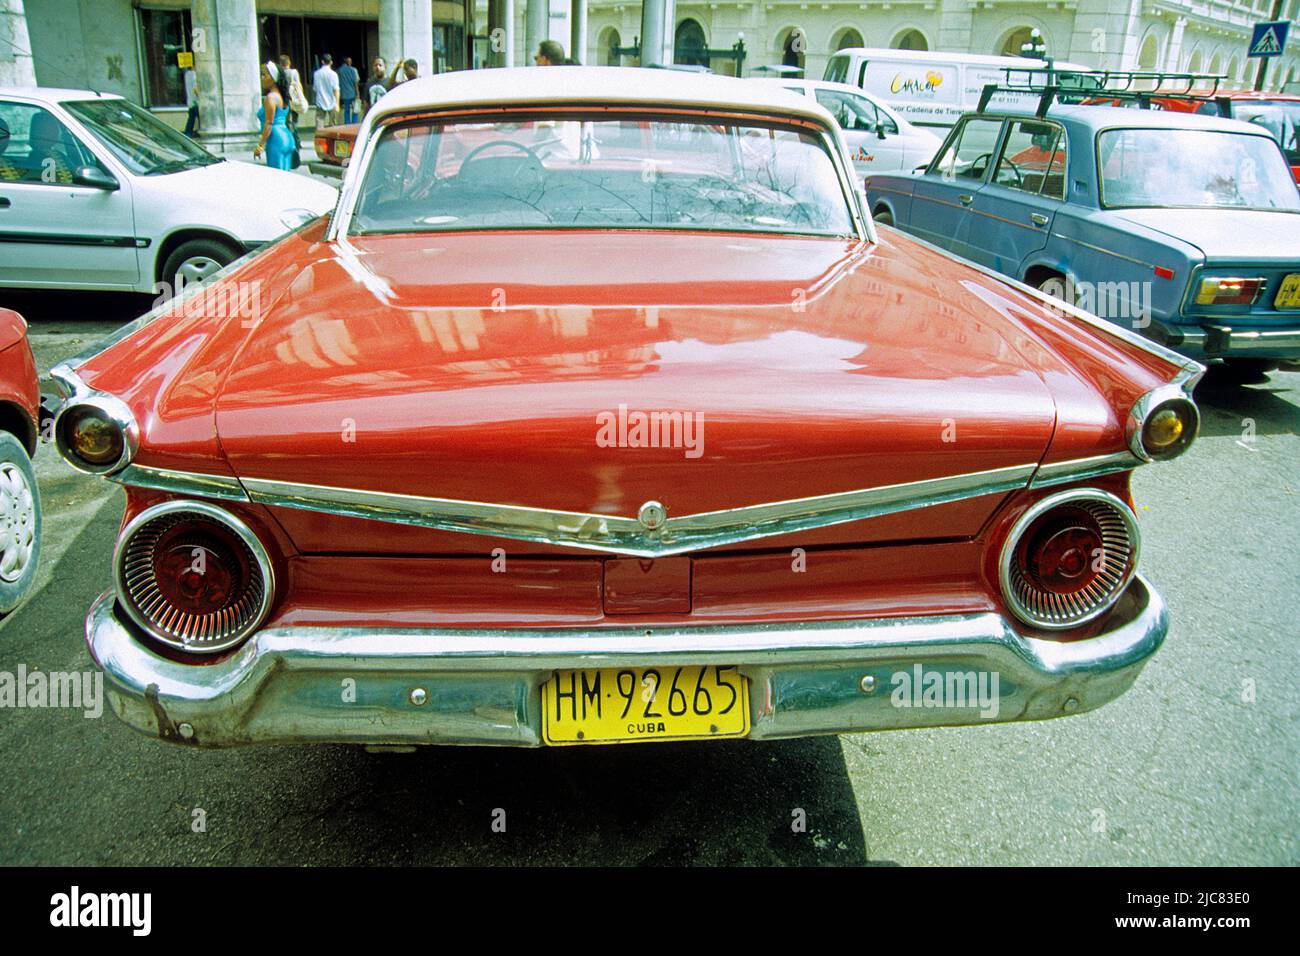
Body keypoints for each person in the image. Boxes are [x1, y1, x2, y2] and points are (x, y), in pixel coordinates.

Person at [254, 61, 295, 170]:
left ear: (273, 78)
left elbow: (269, 123)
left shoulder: (271, 97)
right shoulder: (283, 97)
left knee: (277, 178)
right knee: (287, 177)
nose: (262, 78)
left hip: (276, 139)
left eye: (264, 75)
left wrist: (260, 145)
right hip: (287, 137)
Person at [278, 53, 308, 127]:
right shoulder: (294, 72)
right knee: (295, 118)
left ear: (281, 64)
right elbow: (298, 85)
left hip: (284, 98)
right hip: (294, 97)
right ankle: (295, 135)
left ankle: (288, 133)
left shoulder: (279, 73)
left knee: (285, 118)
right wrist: (301, 95)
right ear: (289, 62)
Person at [312, 53, 339, 129]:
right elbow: (336, 90)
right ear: (331, 62)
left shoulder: (316, 74)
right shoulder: (334, 74)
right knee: (333, 125)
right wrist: (337, 104)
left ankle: (320, 139)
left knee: (319, 123)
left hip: (320, 101)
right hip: (332, 101)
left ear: (322, 62)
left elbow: (315, 88)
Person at [338, 56, 360, 124]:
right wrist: (357, 93)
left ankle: (347, 124)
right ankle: (354, 123)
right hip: (353, 93)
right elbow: (355, 82)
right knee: (355, 110)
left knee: (346, 110)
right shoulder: (353, 70)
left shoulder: (339, 70)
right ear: (350, 63)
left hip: (344, 94)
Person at [183, 66, 199, 137]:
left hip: (190, 100)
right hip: (196, 101)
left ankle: (188, 133)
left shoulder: (187, 74)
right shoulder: (194, 75)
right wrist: (199, 96)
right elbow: (195, 88)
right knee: (200, 117)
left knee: (191, 118)